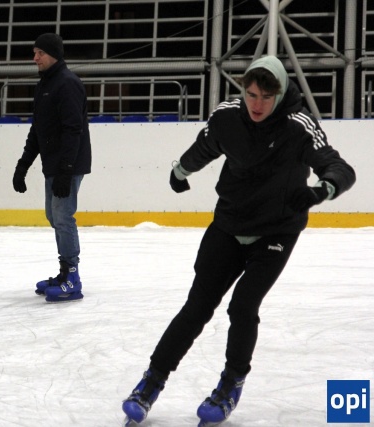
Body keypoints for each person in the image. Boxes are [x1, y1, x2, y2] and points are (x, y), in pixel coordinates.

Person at [122, 55, 356, 426]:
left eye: (266, 97)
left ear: (279, 94)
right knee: (197, 306)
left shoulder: (298, 125)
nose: (257, 104)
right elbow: (206, 146)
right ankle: (151, 381)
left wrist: (321, 189)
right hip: (229, 225)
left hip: (276, 231)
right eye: (251, 94)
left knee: (243, 306)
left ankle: (230, 384)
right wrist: (180, 171)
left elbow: (339, 167)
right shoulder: (227, 116)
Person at [11, 33, 92, 303]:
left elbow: (73, 129)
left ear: (54, 54)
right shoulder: (44, 85)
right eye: (34, 52)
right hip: (54, 164)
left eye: (40, 53)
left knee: (63, 216)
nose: (35, 58)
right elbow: (38, 130)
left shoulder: (67, 84)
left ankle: (72, 277)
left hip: (68, 163)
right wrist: (23, 165)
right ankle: (64, 271)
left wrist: (66, 169)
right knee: (53, 215)